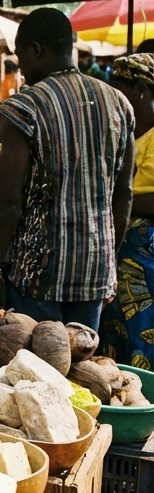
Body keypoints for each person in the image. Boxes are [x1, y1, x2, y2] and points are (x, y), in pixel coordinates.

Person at [0, 9, 135, 330]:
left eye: (20, 55)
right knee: (78, 370)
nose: (20, 67)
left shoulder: (24, 108)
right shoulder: (119, 104)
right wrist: (108, 265)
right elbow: (124, 195)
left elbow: (9, 203)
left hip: (37, 274)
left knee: (32, 373)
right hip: (94, 268)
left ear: (36, 49)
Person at [101, 53, 154, 368]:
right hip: (118, 254)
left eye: (119, 90)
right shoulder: (125, 135)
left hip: (144, 259)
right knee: (115, 335)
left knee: (143, 336)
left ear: (142, 88)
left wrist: (118, 199)